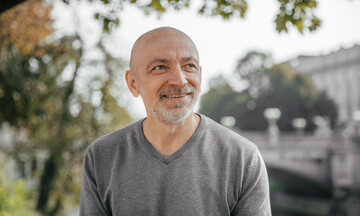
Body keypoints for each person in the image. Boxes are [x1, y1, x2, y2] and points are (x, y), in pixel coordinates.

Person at [80, 27, 271, 215]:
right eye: (160, 67)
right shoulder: (102, 157)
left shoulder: (243, 158)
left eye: (189, 66)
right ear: (133, 83)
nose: (180, 80)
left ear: (200, 75)